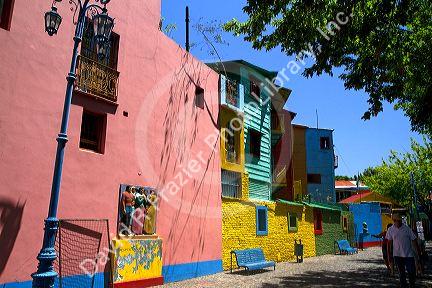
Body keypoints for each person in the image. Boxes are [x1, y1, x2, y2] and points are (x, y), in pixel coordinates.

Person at [386, 214, 421, 288]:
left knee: (411, 272)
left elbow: (414, 240)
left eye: (399, 221)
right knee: (401, 273)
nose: (398, 222)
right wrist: (389, 253)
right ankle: (403, 285)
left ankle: (412, 284)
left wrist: (418, 253)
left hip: (408, 254)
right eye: (396, 221)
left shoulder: (407, 229)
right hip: (397, 255)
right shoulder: (391, 229)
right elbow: (389, 242)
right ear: (394, 221)